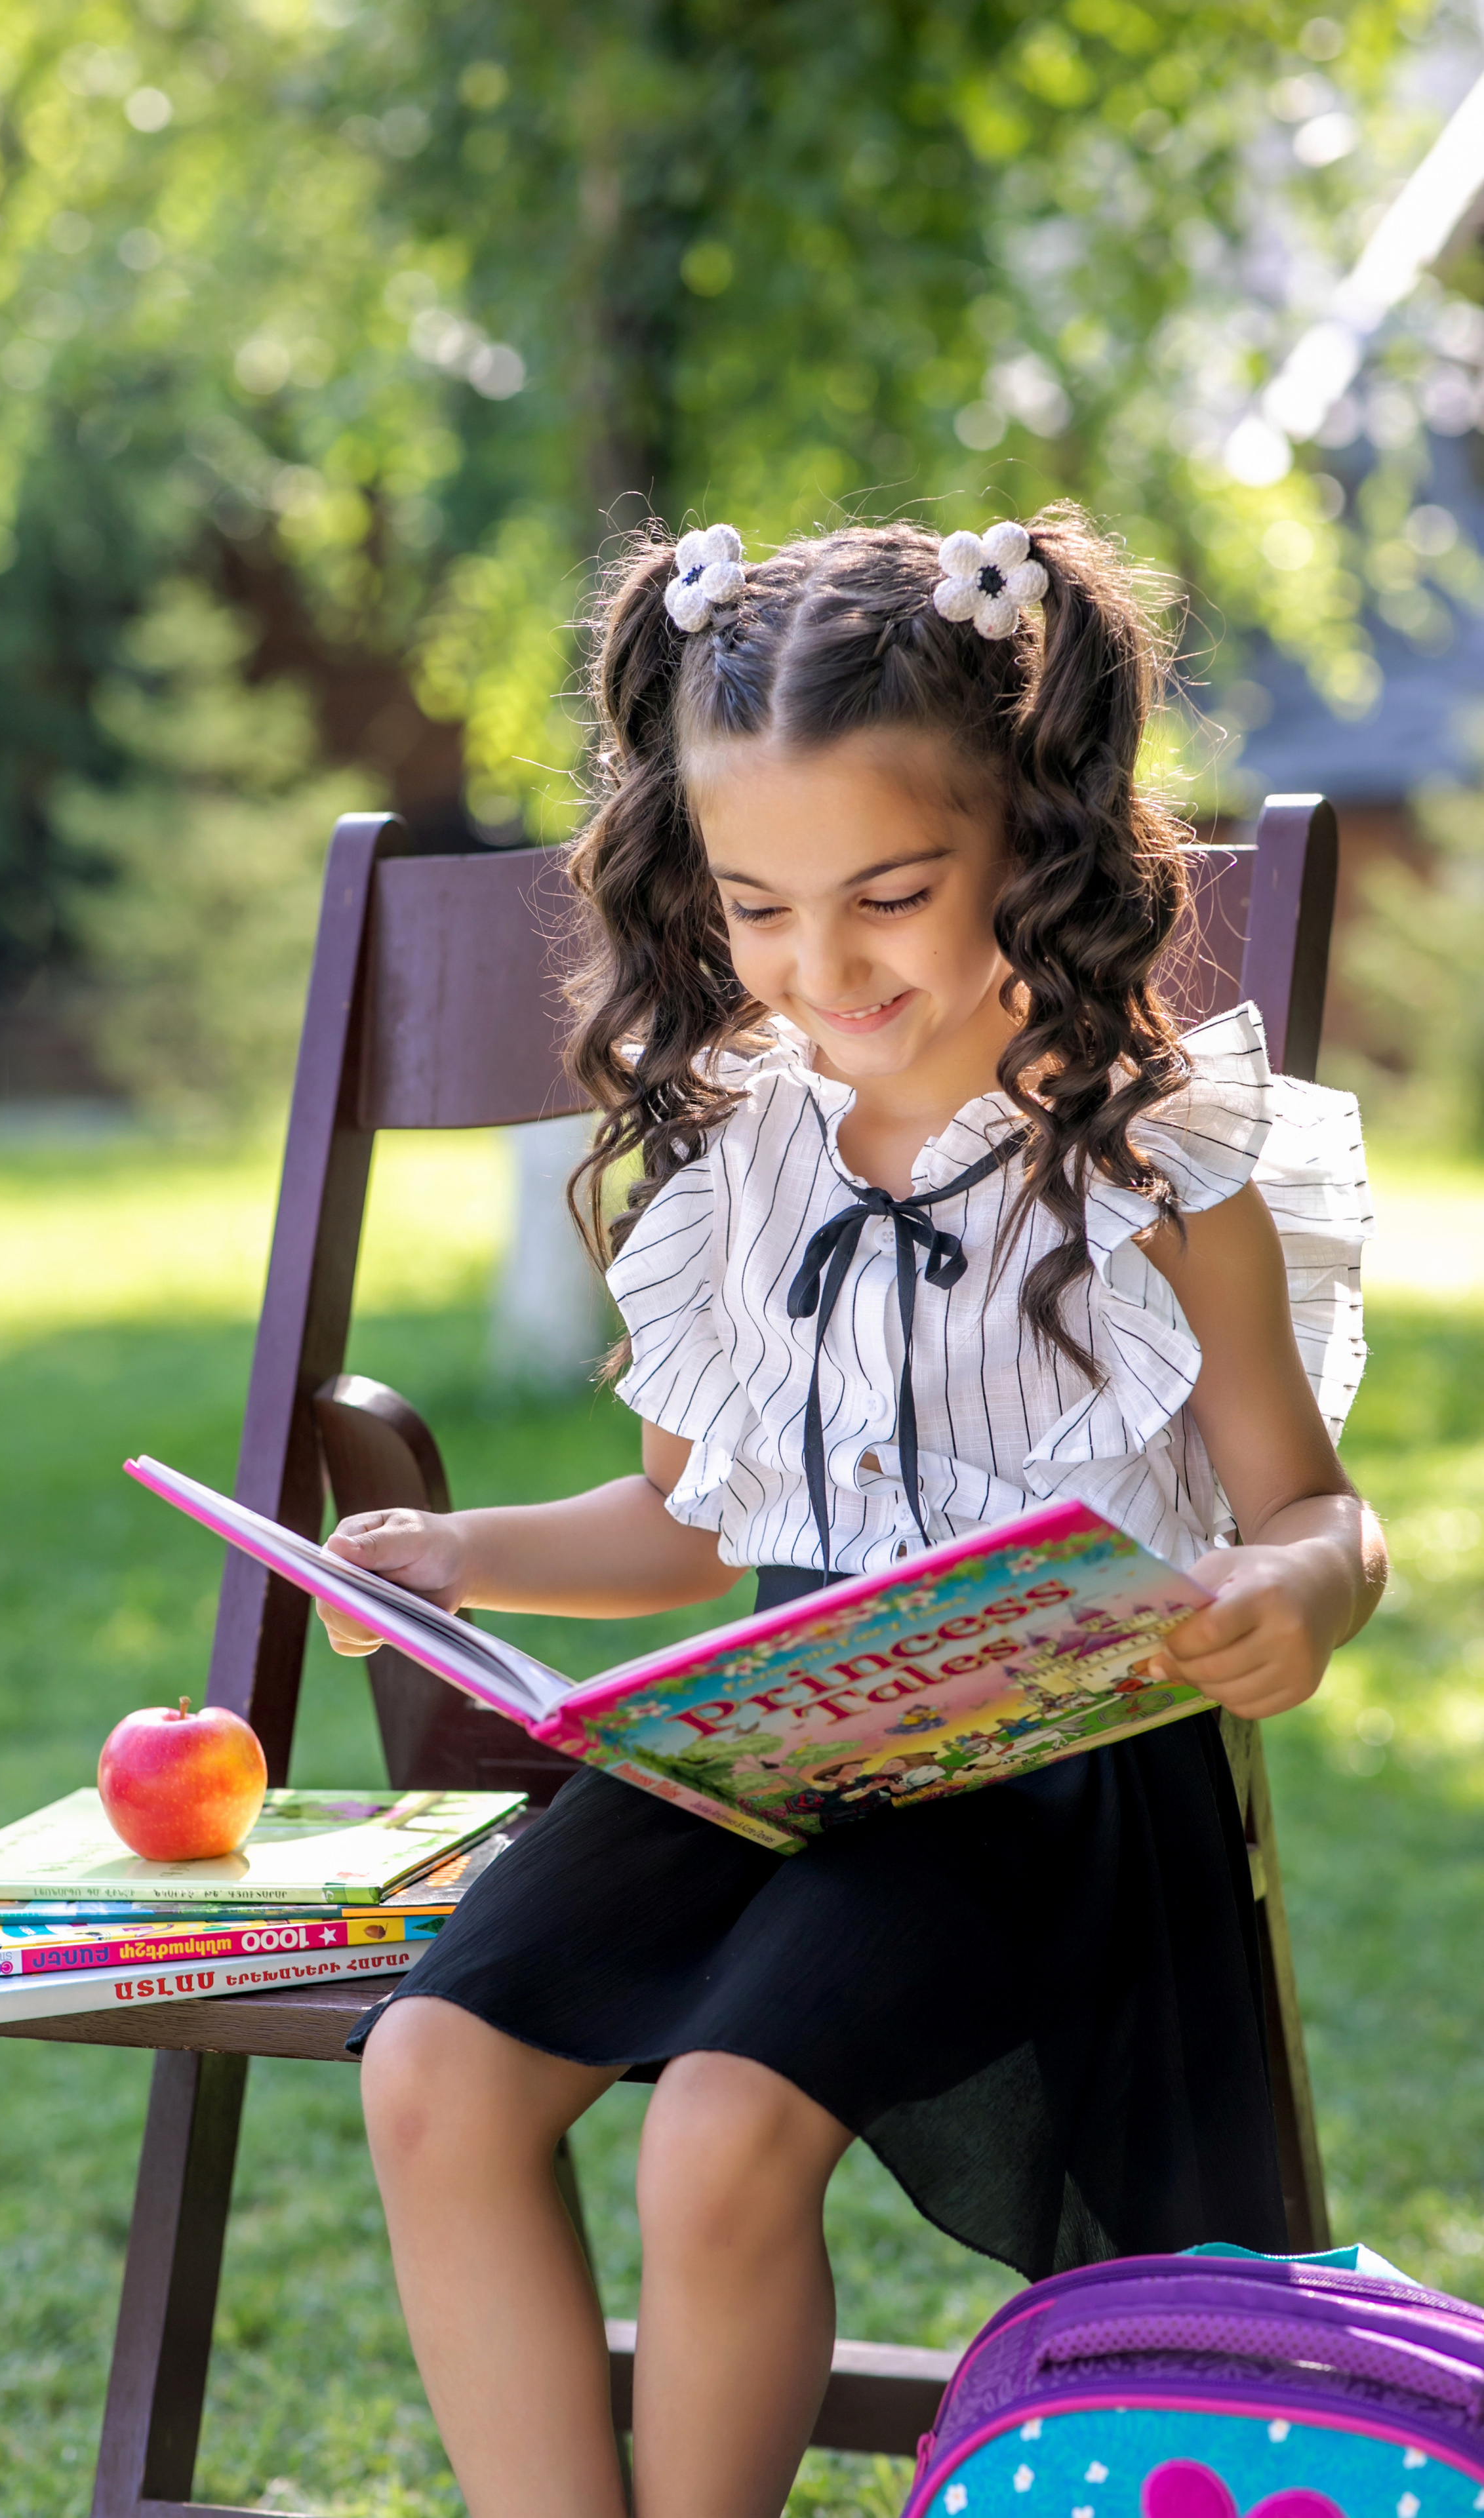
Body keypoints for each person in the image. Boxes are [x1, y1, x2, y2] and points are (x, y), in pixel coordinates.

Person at [317, 508, 1386, 2518]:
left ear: (1036, 841)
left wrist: (1295, 1593)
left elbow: (1317, 1511)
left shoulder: (1164, 1156)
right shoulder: (735, 1145)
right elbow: (688, 1538)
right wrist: (461, 1558)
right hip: (770, 1746)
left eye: (891, 894)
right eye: (758, 910)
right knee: (431, 2069)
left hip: (1046, 1777)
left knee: (716, 2125)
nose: (824, 969)